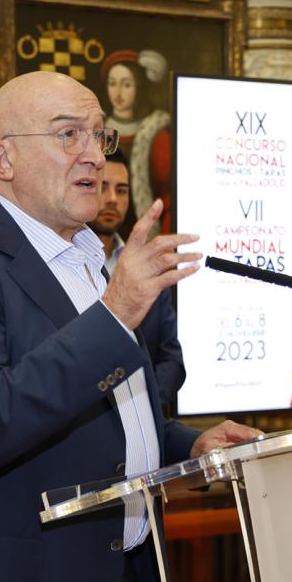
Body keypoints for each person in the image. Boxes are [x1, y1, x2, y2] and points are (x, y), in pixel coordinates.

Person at [0, 71, 261, 582]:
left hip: (118, 579)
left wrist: (186, 444)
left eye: (99, 134)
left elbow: (107, 413)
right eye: (69, 134)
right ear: (3, 159)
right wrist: (114, 314)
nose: (94, 154)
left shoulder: (86, 258)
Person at [90, 149, 185, 404]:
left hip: (146, 413)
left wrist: (140, 406)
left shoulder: (148, 267)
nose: (112, 199)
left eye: (121, 190)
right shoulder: (66, 264)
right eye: (102, 187)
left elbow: (172, 360)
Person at [102, 49, 173, 234]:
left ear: (138, 87)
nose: (118, 92)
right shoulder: (96, 131)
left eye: (126, 85)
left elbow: (166, 189)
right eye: (112, 83)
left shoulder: (153, 131)